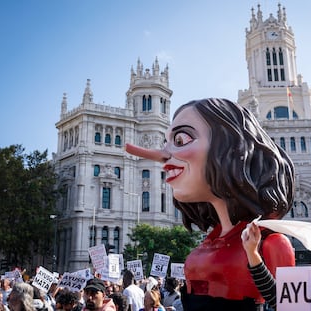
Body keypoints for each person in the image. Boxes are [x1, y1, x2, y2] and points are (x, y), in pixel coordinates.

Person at [125, 98, 296, 310]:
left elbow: (285, 303)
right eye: (165, 143)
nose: (164, 155)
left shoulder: (270, 243)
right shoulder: (211, 240)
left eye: (180, 140)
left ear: (230, 148)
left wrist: (253, 256)